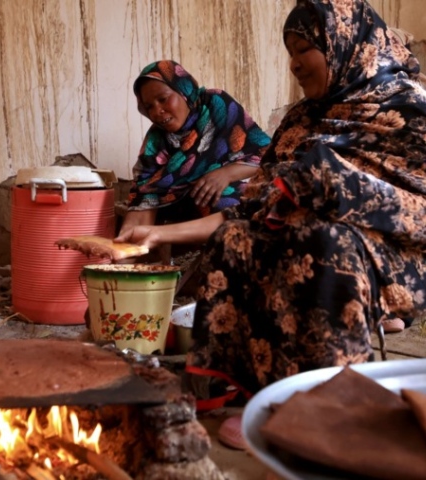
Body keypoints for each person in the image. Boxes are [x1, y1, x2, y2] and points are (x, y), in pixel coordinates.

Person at [116, 0, 426, 447]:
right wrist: (154, 234)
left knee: (321, 240)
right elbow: (252, 201)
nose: (296, 64)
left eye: (305, 49)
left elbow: (413, 205)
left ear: (343, 44)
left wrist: (329, 184)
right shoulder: (303, 118)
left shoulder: (407, 106)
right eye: (290, 52)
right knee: (237, 237)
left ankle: (324, 403)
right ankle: (256, 389)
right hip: (308, 232)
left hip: (393, 250)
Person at [119, 60, 271, 241]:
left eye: (163, 99)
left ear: (184, 91)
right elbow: (146, 192)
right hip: (187, 203)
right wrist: (122, 248)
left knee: (229, 200)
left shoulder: (216, 105)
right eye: (149, 106)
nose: (157, 111)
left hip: (231, 191)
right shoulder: (157, 140)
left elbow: (268, 156)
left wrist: (225, 174)